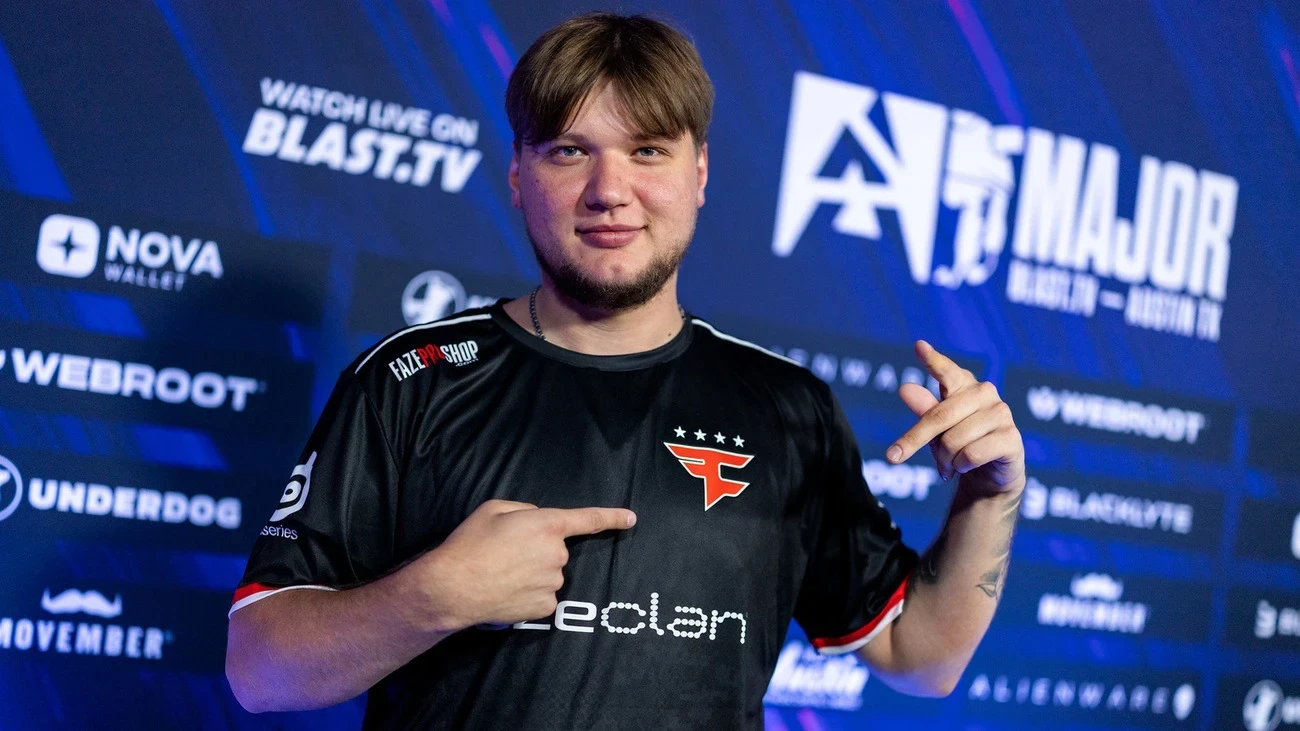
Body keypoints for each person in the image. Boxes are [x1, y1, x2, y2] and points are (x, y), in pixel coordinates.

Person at [225, 11, 1025, 729]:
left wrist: (990, 494)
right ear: (518, 177)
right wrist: (433, 595)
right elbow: (258, 670)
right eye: (570, 151)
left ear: (698, 174)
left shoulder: (790, 408)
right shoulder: (412, 379)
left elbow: (921, 656)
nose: (609, 191)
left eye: (647, 150)